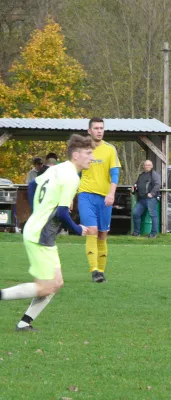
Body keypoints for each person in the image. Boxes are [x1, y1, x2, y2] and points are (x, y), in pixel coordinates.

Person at [0, 134, 93, 331]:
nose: (91, 157)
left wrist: (38, 211)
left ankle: (24, 323)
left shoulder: (56, 169)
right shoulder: (71, 177)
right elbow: (61, 212)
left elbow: (32, 185)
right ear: (76, 155)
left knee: (57, 283)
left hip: (40, 231)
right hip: (39, 235)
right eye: (88, 153)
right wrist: (77, 229)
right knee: (46, 286)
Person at [78, 117, 121, 283]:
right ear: (89, 131)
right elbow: (76, 173)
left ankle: (101, 271)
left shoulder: (110, 150)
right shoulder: (83, 150)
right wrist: (69, 197)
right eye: (96, 128)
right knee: (92, 230)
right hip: (86, 195)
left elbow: (115, 174)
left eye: (101, 128)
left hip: (104, 198)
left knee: (103, 234)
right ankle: (94, 270)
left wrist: (111, 194)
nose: (99, 131)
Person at [131, 160, 161, 238]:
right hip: (141, 199)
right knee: (135, 213)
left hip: (150, 199)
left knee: (153, 215)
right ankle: (136, 232)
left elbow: (158, 185)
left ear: (152, 166)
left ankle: (153, 234)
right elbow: (136, 184)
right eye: (146, 165)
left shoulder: (154, 175)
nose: (147, 166)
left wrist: (152, 193)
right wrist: (134, 188)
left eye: (149, 165)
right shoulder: (141, 175)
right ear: (143, 166)